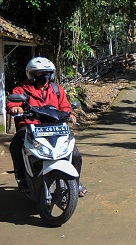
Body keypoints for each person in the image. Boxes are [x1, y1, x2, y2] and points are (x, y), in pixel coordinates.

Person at [6, 57, 87, 197]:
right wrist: (15, 108)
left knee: (75, 154)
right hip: (31, 127)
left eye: (47, 73)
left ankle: (75, 182)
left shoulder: (56, 89)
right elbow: (12, 103)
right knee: (17, 143)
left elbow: (65, 106)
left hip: (55, 127)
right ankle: (22, 179)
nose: (45, 76)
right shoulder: (22, 89)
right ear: (31, 74)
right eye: (40, 73)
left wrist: (70, 115)